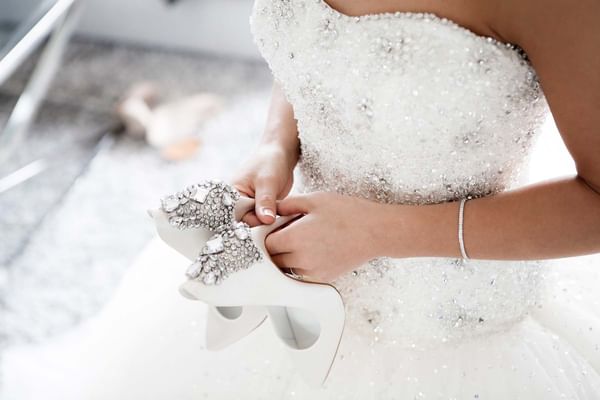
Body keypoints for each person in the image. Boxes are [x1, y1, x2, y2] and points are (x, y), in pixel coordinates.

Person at [19, 0, 600, 398]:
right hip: (281, 276)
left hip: (450, 325)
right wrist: (277, 145)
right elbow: (316, 45)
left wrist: (383, 232)